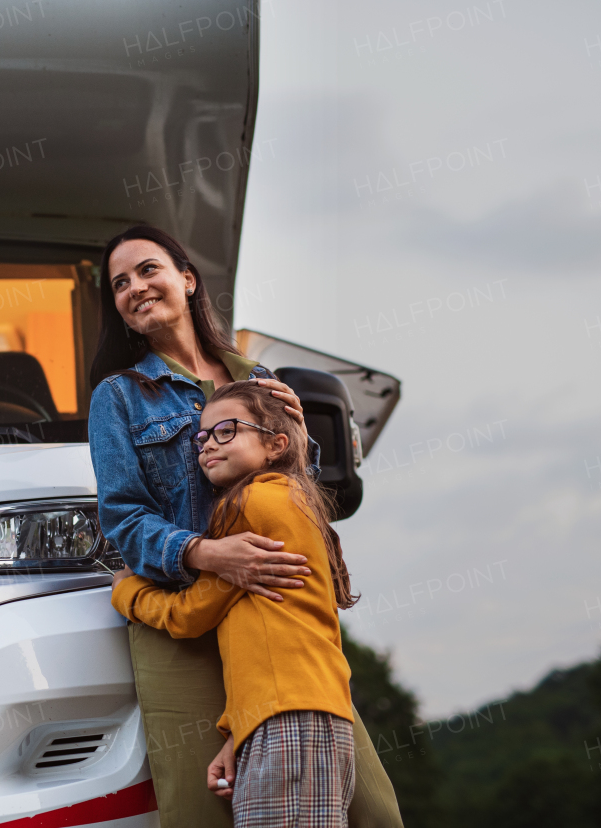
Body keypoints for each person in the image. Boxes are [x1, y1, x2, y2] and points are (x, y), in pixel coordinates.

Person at [87, 224, 403, 827]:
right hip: (180, 622)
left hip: (273, 617)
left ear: (186, 277)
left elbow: (302, 495)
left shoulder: (261, 380)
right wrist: (208, 554)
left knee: (374, 812)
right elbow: (123, 520)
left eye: (147, 270)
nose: (134, 288)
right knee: (205, 810)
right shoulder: (120, 397)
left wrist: (303, 438)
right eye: (119, 284)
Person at [111, 381, 357, 827]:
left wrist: (127, 591)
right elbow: (272, 641)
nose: (207, 446)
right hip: (311, 718)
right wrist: (238, 736)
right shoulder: (296, 502)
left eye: (227, 431)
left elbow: (189, 616)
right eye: (202, 438)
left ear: (275, 444)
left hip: (288, 726)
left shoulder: (247, 504)